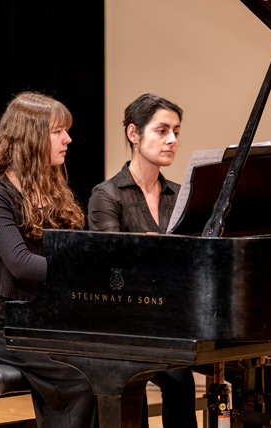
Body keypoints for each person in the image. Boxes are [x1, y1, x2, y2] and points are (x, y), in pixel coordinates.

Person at [0, 92, 98, 428]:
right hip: (6, 331)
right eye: (57, 131)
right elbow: (22, 264)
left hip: (50, 325)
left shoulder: (52, 191)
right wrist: (85, 274)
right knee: (83, 381)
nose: (68, 138)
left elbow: (75, 252)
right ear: (29, 136)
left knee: (117, 374)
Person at [87, 93, 198, 428]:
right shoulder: (107, 195)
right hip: (123, 319)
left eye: (176, 131)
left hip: (172, 318)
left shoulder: (181, 194)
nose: (172, 140)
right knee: (175, 373)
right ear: (134, 134)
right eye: (162, 131)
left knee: (181, 379)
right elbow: (109, 265)